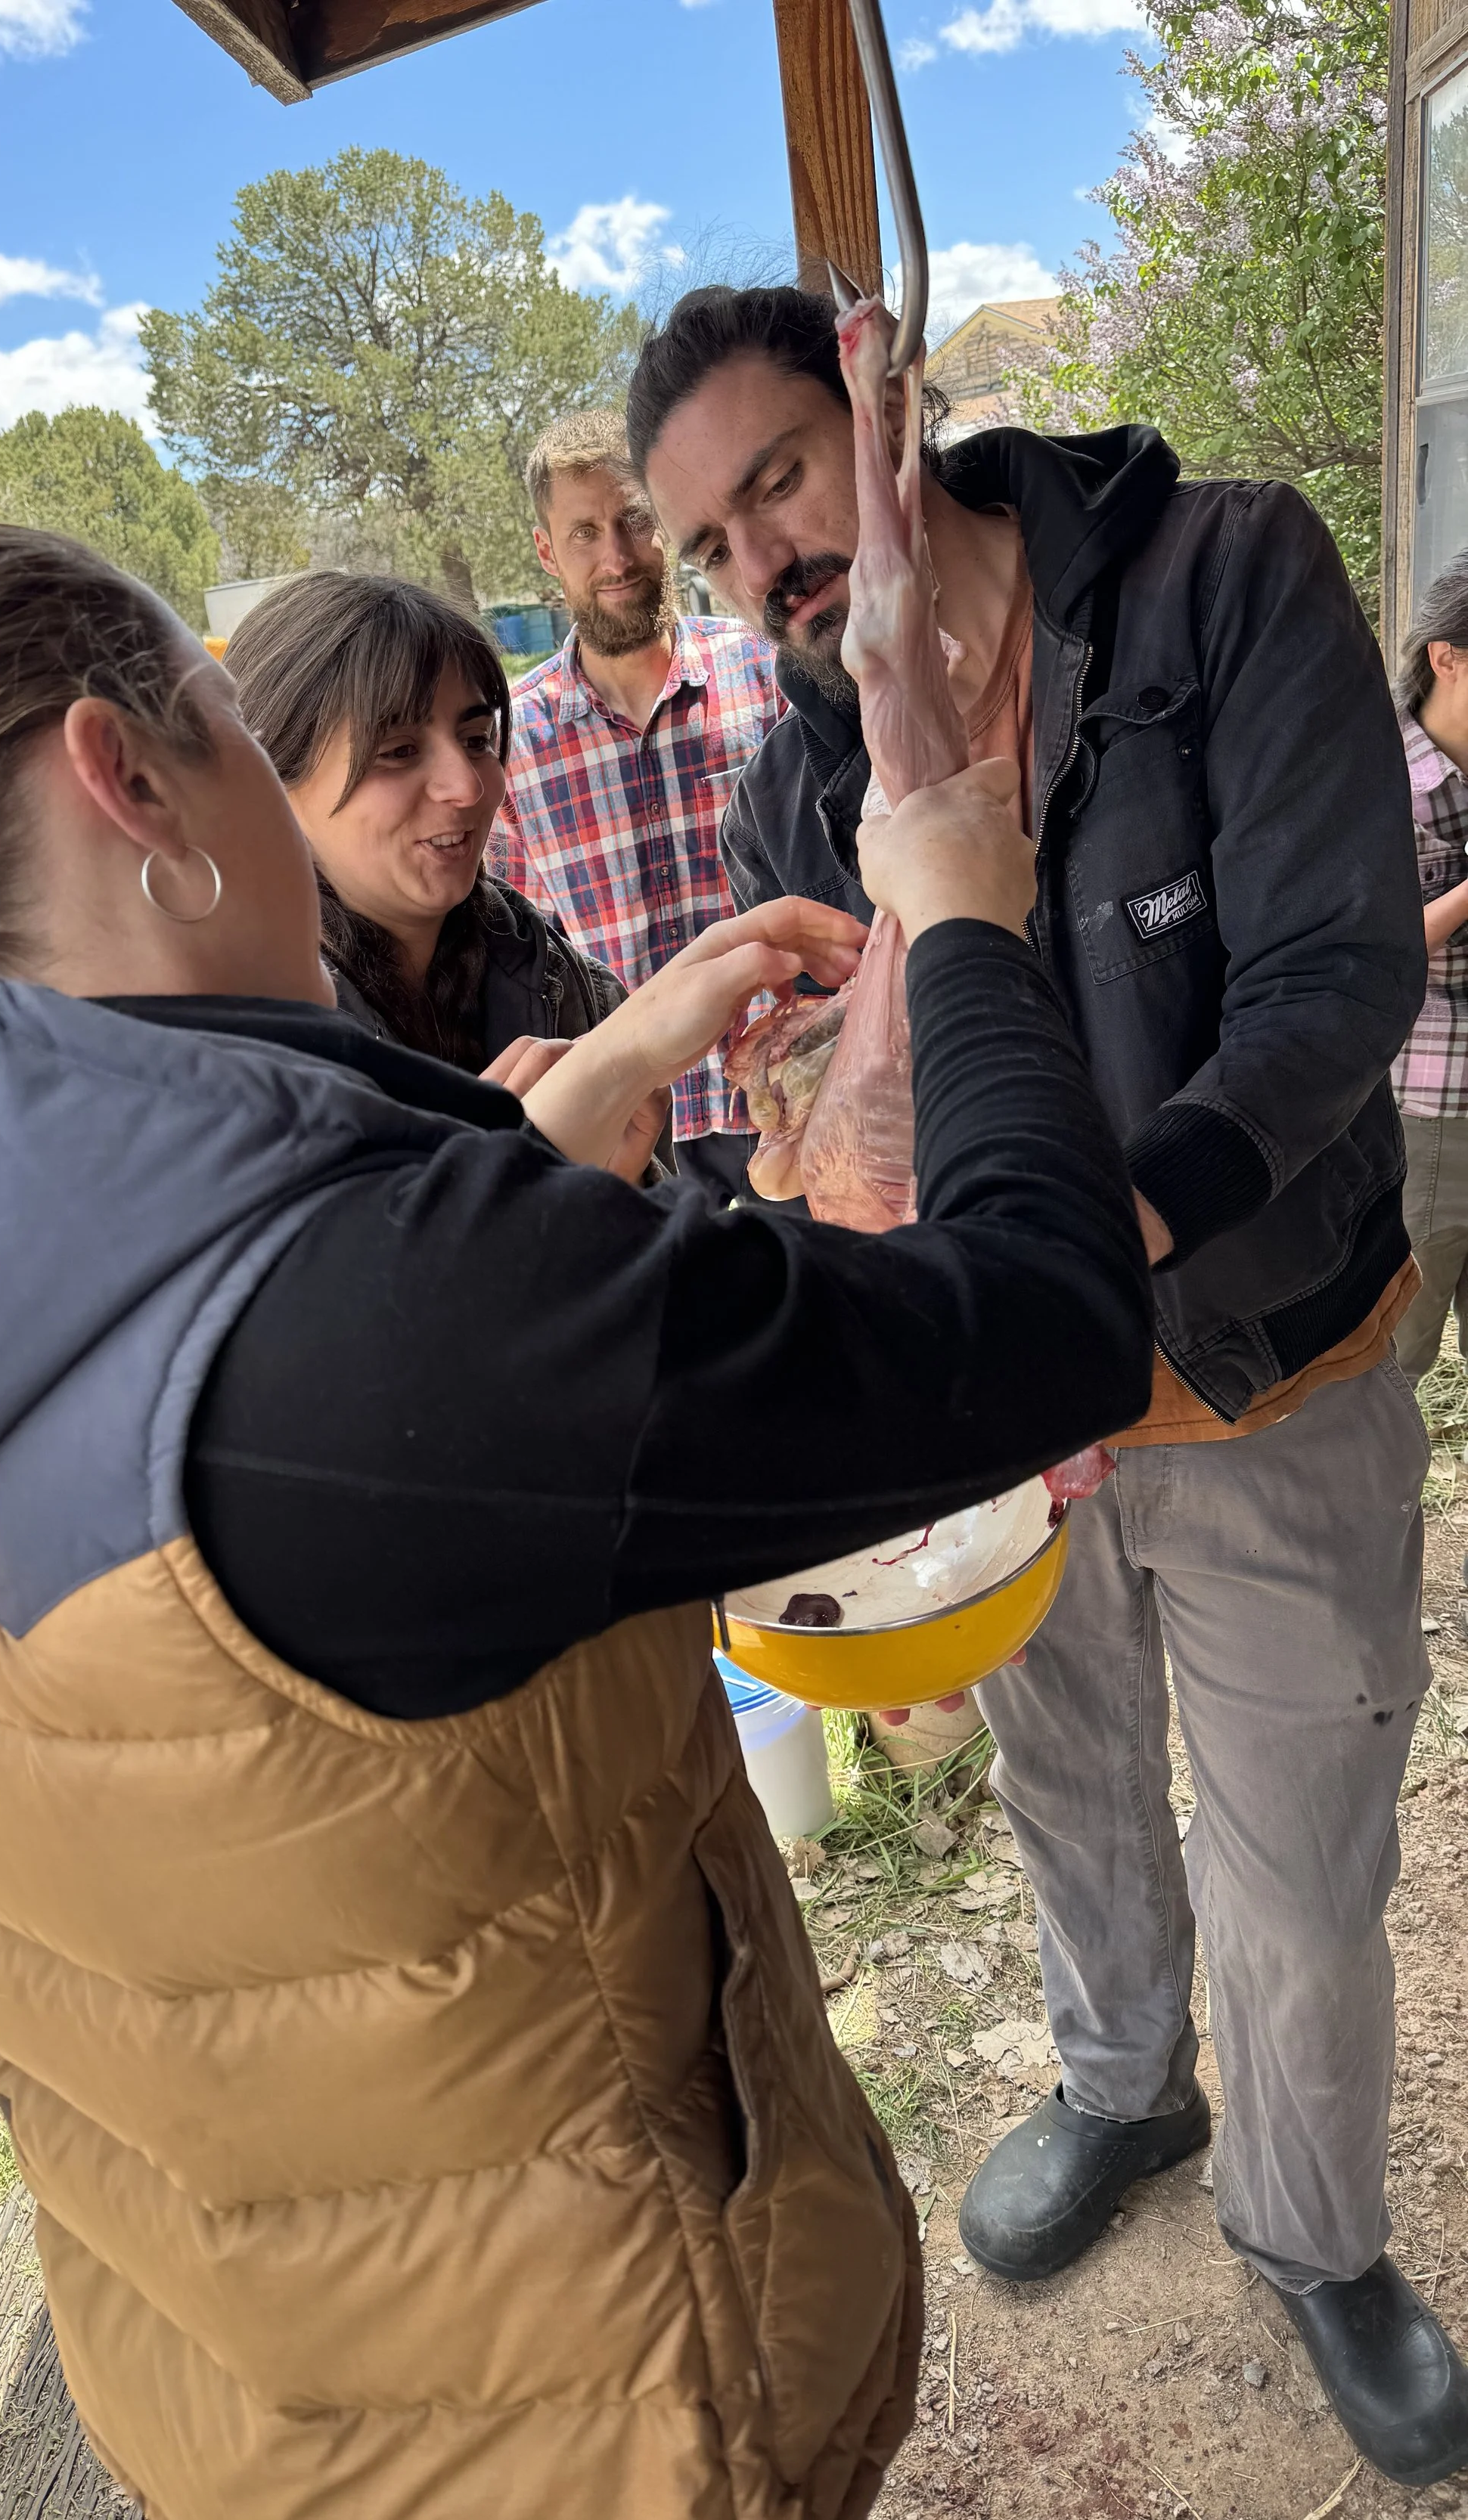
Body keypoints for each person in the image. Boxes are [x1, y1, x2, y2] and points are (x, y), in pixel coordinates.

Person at [0, 525, 1153, 2520]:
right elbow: (1049, 1320)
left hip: (223, 2366)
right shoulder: (403, 1314)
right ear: (123, 774)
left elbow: (182, 1371)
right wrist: (964, 917)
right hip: (596, 2408)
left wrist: (547, 1111)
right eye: (231, 726)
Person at [628, 282, 1458, 2488]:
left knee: (1294, 1859)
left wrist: (1095, 1239)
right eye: (708, 546)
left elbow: (1326, 977)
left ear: (885, 404)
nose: (758, 569)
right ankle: (1118, 2085)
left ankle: (1309, 2233)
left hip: (1271, 1364)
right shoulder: (805, 776)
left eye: (777, 484)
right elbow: (828, 1133)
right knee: (1066, 1785)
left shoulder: (1215, 576)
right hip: (1007, 1435)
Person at [224, 574, 644, 1146]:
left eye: (476, 739)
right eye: (398, 752)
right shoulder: (250, 1064)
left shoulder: (563, 985)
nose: (467, 787)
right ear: (271, 779)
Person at [488, 411, 781, 1202]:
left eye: (634, 519)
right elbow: (517, 945)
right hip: (622, 1135)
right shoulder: (511, 743)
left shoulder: (769, 679)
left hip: (782, 1103)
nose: (615, 556)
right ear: (548, 552)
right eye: (583, 532)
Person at [1391, 553, 1468, 1384]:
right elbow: (1373, 946)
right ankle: (1374, 1516)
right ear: (1447, 657)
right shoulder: (1377, 773)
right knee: (1395, 1358)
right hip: (1431, 1102)